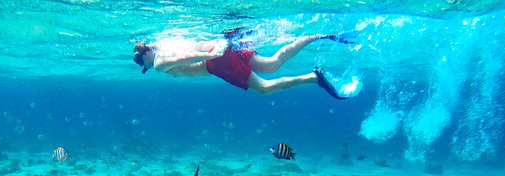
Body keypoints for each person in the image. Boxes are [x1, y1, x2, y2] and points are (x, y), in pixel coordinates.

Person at [133, 30, 359, 99]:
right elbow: (192, 49)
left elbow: (186, 58)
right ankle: (315, 36)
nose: (145, 66)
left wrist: (216, 53)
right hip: (222, 52)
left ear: (146, 55)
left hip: (218, 63)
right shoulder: (167, 47)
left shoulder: (160, 61)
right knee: (272, 64)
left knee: (265, 87)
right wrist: (220, 47)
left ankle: (313, 78)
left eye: (141, 62)